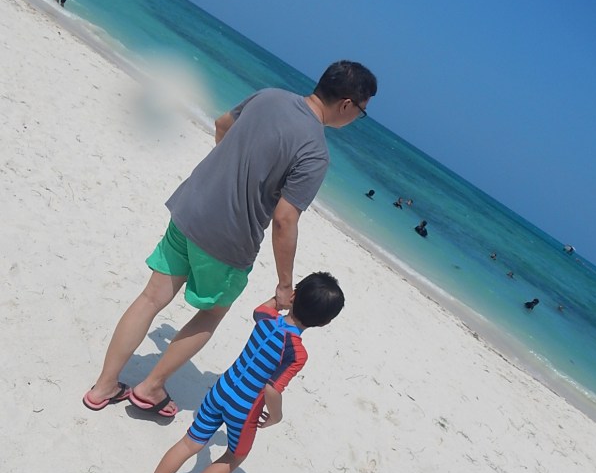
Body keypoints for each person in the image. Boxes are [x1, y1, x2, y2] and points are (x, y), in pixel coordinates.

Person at [83, 60, 377, 417]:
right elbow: (285, 219)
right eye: (361, 112)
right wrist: (285, 285)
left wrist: (230, 171)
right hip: (230, 237)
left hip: (192, 204)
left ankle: (103, 387)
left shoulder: (270, 96)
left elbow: (222, 124)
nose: (357, 118)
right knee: (210, 314)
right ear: (346, 104)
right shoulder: (315, 151)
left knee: (150, 297)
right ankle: (150, 387)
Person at [134, 271, 345, 473]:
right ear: (324, 323)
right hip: (244, 409)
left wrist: (282, 299)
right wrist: (276, 416)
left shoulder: (266, 318)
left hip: (222, 389)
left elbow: (263, 307)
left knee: (189, 442)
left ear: (293, 296)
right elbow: (271, 389)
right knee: (236, 455)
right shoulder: (296, 353)